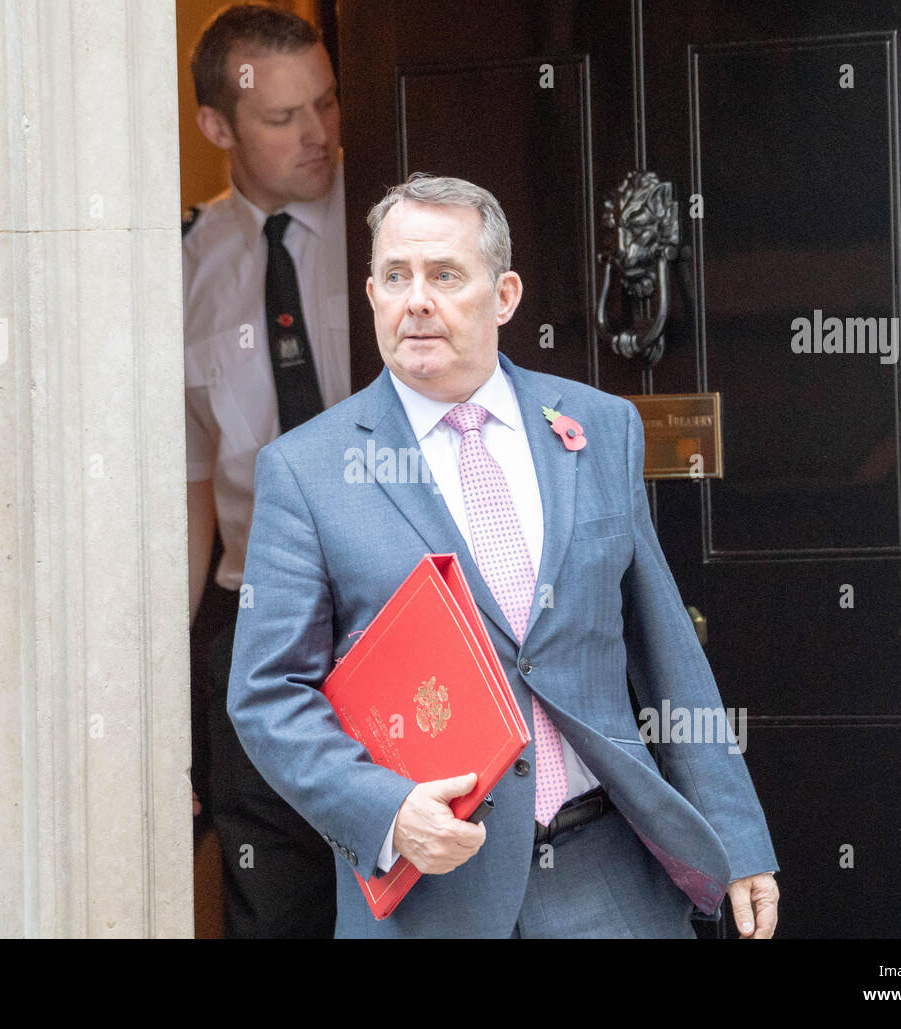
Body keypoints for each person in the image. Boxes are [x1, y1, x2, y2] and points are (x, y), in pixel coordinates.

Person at [227, 174, 780, 938]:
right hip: (431, 892)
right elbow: (268, 693)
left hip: (608, 873)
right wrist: (383, 810)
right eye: (395, 277)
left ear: (506, 295)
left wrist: (738, 838)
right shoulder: (307, 470)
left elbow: (665, 649)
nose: (416, 299)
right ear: (371, 294)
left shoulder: (597, 427)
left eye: (445, 275)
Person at [183, 2, 347, 938]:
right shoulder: (173, 264)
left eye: (324, 104)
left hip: (402, 608)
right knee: (275, 903)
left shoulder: (395, 238)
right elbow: (189, 491)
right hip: (259, 627)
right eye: (283, 118)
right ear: (217, 125)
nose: (317, 134)